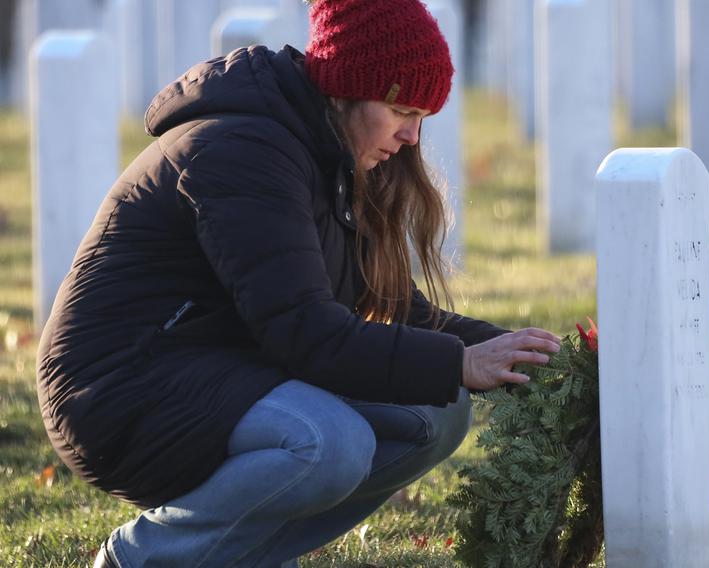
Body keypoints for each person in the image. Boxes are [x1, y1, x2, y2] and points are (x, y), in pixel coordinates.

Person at [35, 0, 561, 566]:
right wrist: (459, 362)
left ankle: (238, 557)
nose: (412, 135)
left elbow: (400, 310)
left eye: (423, 115)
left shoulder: (329, 154)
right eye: (400, 108)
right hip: (123, 386)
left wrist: (523, 354)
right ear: (348, 85)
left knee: (434, 415)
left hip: (223, 369)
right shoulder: (242, 150)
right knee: (329, 443)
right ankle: (143, 559)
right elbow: (306, 334)